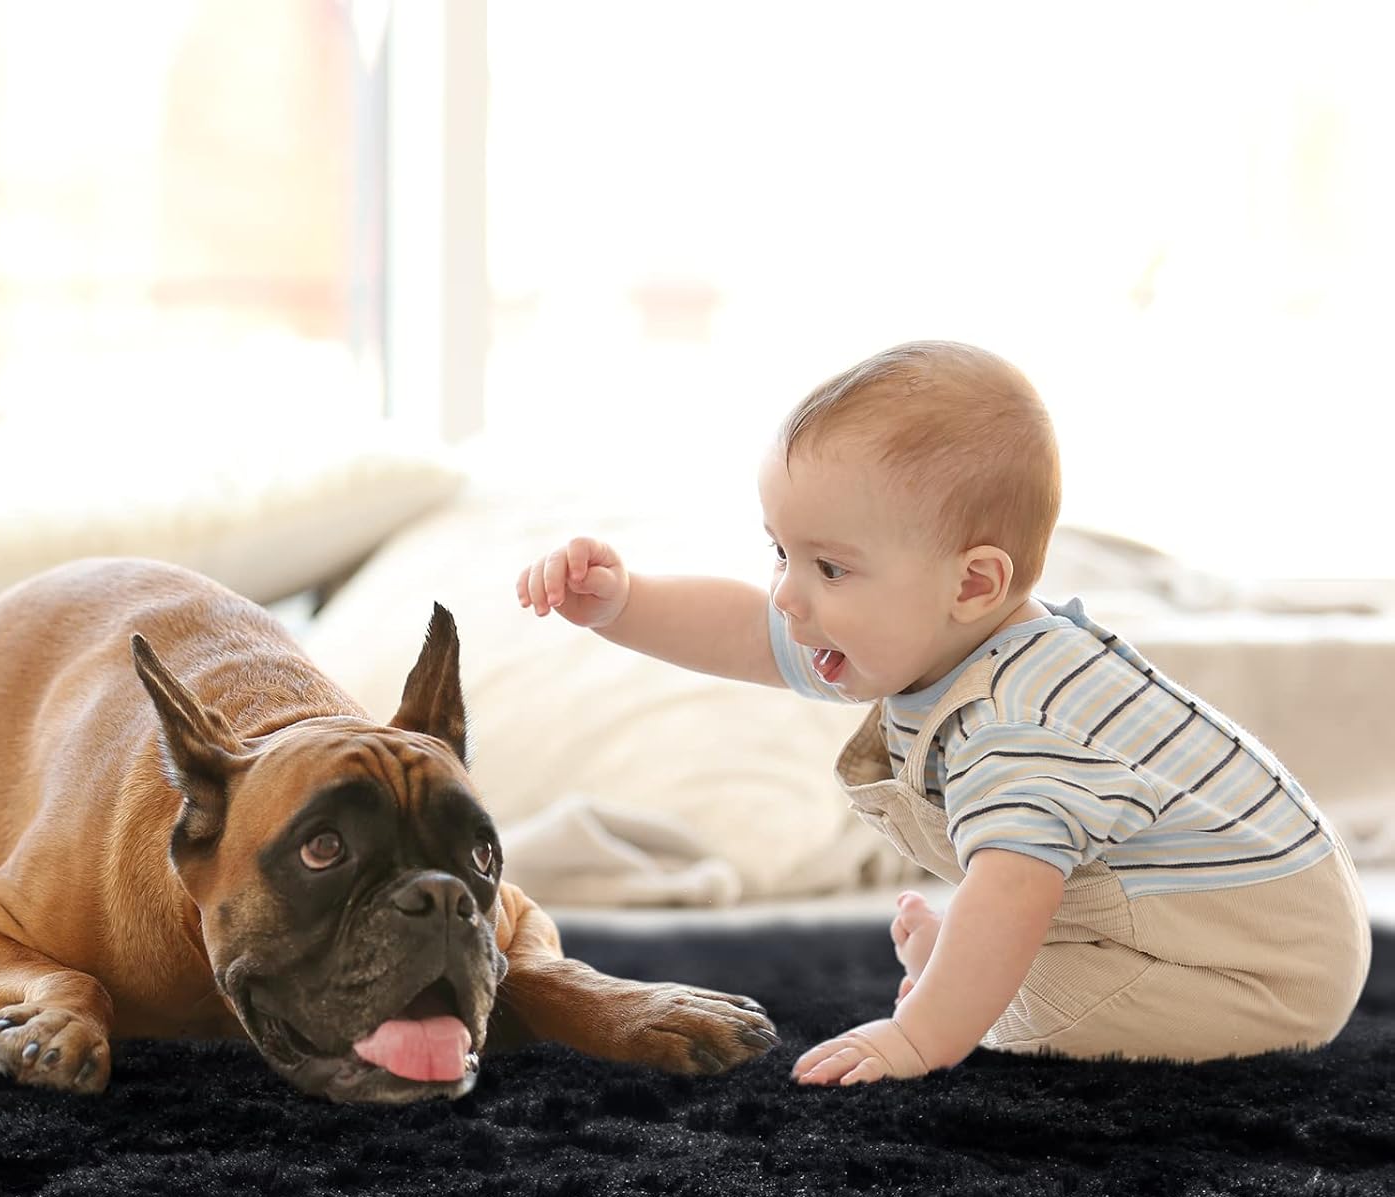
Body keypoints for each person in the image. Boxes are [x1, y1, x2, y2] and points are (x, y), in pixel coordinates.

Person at [514, 341, 1372, 1087]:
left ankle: (977, 983)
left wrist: (919, 1032)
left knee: (1021, 1014)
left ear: (973, 583)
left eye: (830, 569)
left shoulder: (1015, 725)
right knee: (995, 945)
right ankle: (978, 968)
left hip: (1255, 973)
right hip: (1207, 918)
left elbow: (1010, 895)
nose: (788, 593)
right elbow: (747, 629)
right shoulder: (938, 634)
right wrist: (621, 604)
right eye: (783, 552)